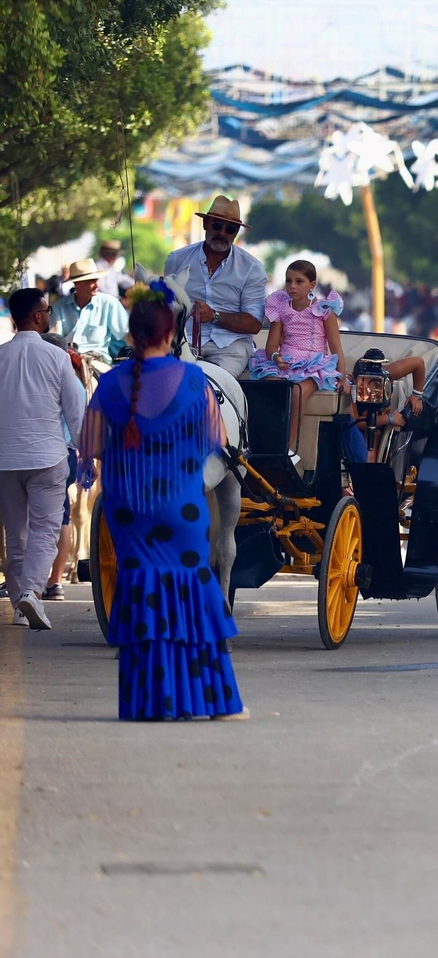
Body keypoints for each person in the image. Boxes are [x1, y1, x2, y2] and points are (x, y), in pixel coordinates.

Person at [78, 286, 246, 720]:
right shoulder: (193, 381)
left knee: (141, 592)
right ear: (171, 335)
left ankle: (149, 703)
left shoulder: (109, 385)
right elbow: (217, 441)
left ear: (130, 337)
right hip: (181, 508)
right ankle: (214, 702)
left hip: (127, 510)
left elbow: (90, 446)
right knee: (192, 593)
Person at [0, 288, 85, 629]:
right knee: (45, 530)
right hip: (48, 458)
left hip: (6, 460)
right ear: (37, 316)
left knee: (15, 534)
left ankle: (21, 603)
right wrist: (87, 451)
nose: (49, 315)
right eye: (47, 310)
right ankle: (31, 594)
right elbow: (76, 412)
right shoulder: (56, 357)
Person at [162, 195, 267, 378]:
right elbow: (165, 308)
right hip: (182, 342)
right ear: (206, 224)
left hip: (230, 347)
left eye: (230, 229)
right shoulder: (177, 260)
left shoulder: (252, 269)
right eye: (217, 225)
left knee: (212, 383)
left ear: (236, 233)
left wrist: (214, 316)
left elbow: (254, 324)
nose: (223, 233)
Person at [248, 260, 347, 452]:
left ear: (312, 284)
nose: (292, 286)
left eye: (299, 281)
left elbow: (336, 348)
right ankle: (260, 443)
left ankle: (284, 448)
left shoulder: (324, 310)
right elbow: (271, 345)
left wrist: (342, 378)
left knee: (296, 392)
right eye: (288, 281)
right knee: (268, 388)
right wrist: (275, 357)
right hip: (285, 363)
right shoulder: (281, 308)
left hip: (314, 365)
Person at [50, 258, 128, 373]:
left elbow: (126, 336)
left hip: (99, 363)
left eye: (96, 280)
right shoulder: (59, 307)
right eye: (91, 281)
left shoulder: (110, 304)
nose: (97, 284)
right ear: (77, 283)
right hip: (66, 362)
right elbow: (54, 340)